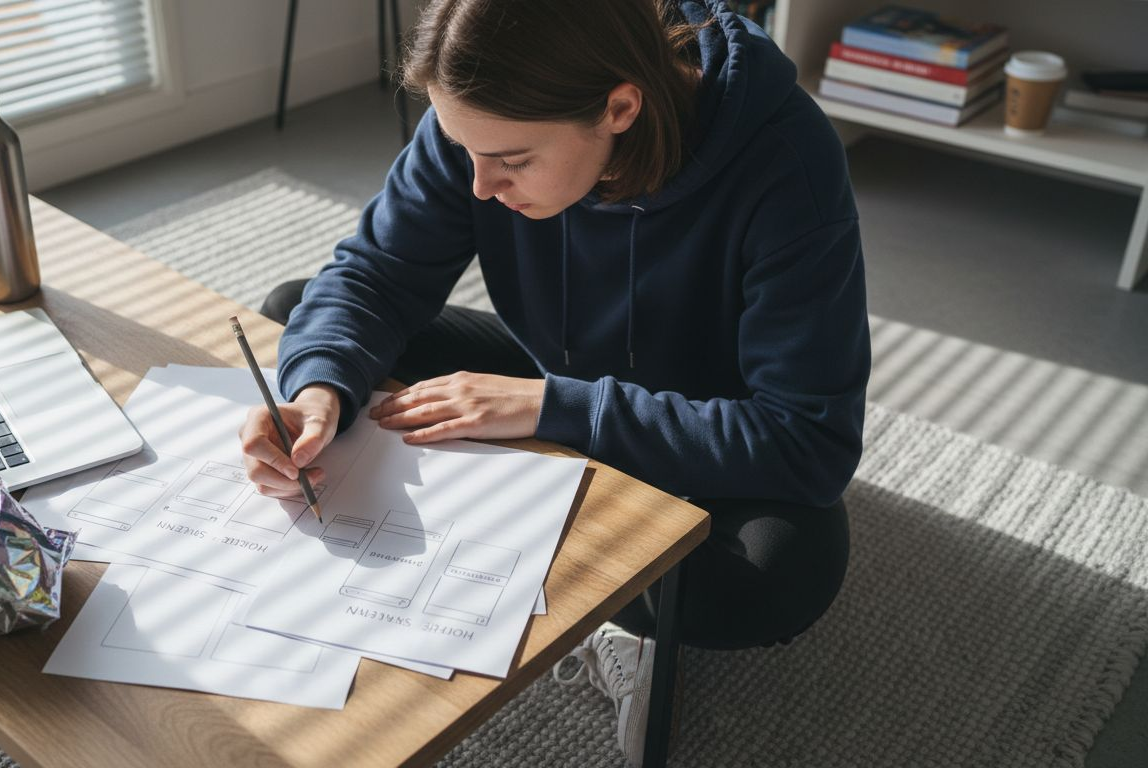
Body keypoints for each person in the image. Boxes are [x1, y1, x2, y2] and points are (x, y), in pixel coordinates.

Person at [242, 0, 868, 763]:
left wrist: (554, 407)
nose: (478, 186)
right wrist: (316, 398)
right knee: (305, 331)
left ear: (620, 107)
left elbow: (808, 439)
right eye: (458, 146)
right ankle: (530, 529)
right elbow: (373, 276)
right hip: (559, 381)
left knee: (770, 579)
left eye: (510, 161)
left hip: (712, 433)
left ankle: (541, 549)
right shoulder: (483, 122)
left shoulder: (786, 160)